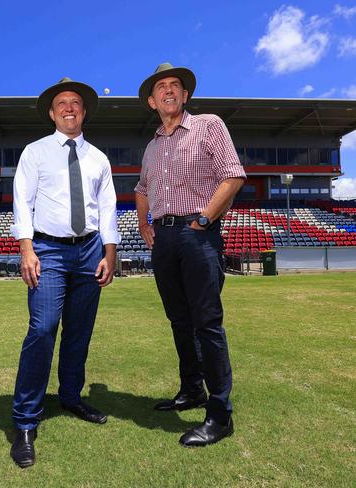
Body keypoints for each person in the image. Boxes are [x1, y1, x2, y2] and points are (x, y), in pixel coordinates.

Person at [9, 77, 119, 468]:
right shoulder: (35, 153)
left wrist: (110, 252)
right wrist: (26, 248)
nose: (69, 108)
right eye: (62, 104)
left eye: (76, 102)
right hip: (48, 250)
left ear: (84, 111)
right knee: (42, 328)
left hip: (90, 250)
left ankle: (71, 397)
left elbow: (107, 209)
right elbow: (21, 202)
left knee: (80, 330)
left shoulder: (99, 158)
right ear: (53, 113)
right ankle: (25, 420)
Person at [135, 63, 246, 447]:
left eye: (174, 86)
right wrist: (144, 224)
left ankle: (220, 412)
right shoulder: (151, 147)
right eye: (160, 87)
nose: (168, 91)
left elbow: (233, 175)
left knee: (207, 323)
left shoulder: (208, 125)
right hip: (163, 239)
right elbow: (141, 188)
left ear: (185, 95)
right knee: (179, 320)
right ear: (151, 101)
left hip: (197, 234)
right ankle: (192, 389)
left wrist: (204, 217)